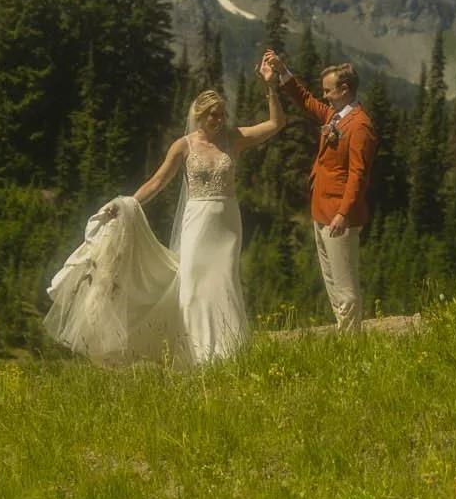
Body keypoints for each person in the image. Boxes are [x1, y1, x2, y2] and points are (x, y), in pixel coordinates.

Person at [44, 77, 284, 366]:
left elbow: (276, 124)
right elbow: (158, 181)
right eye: (212, 115)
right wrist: (128, 203)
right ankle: (196, 354)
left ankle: (228, 351)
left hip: (227, 224)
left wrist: (271, 88)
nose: (219, 120)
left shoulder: (233, 139)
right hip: (198, 223)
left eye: (222, 114)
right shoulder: (183, 146)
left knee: (225, 282)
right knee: (193, 284)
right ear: (199, 116)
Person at [261, 49, 376, 331]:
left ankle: (351, 344)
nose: (324, 96)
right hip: (321, 210)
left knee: (345, 283)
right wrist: (282, 72)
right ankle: (345, 332)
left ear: (345, 89)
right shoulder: (335, 116)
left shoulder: (360, 126)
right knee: (331, 280)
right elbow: (306, 102)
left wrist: (342, 214)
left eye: (329, 91)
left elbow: (358, 175)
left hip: (340, 216)